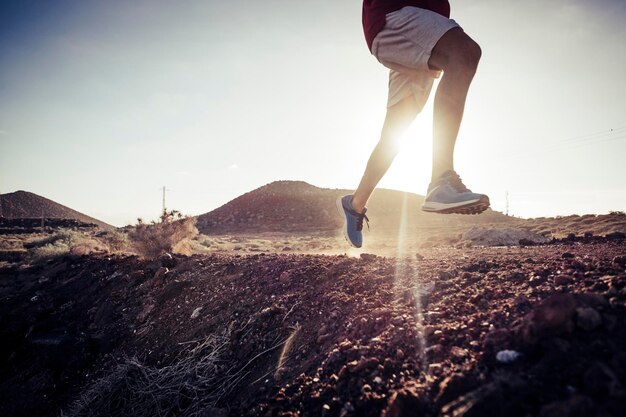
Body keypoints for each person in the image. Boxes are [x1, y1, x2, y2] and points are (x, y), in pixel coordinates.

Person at [338, 0, 490, 248]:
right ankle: (442, 179)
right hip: (395, 16)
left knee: (394, 135)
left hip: (419, 31)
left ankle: (354, 204)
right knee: (464, 54)